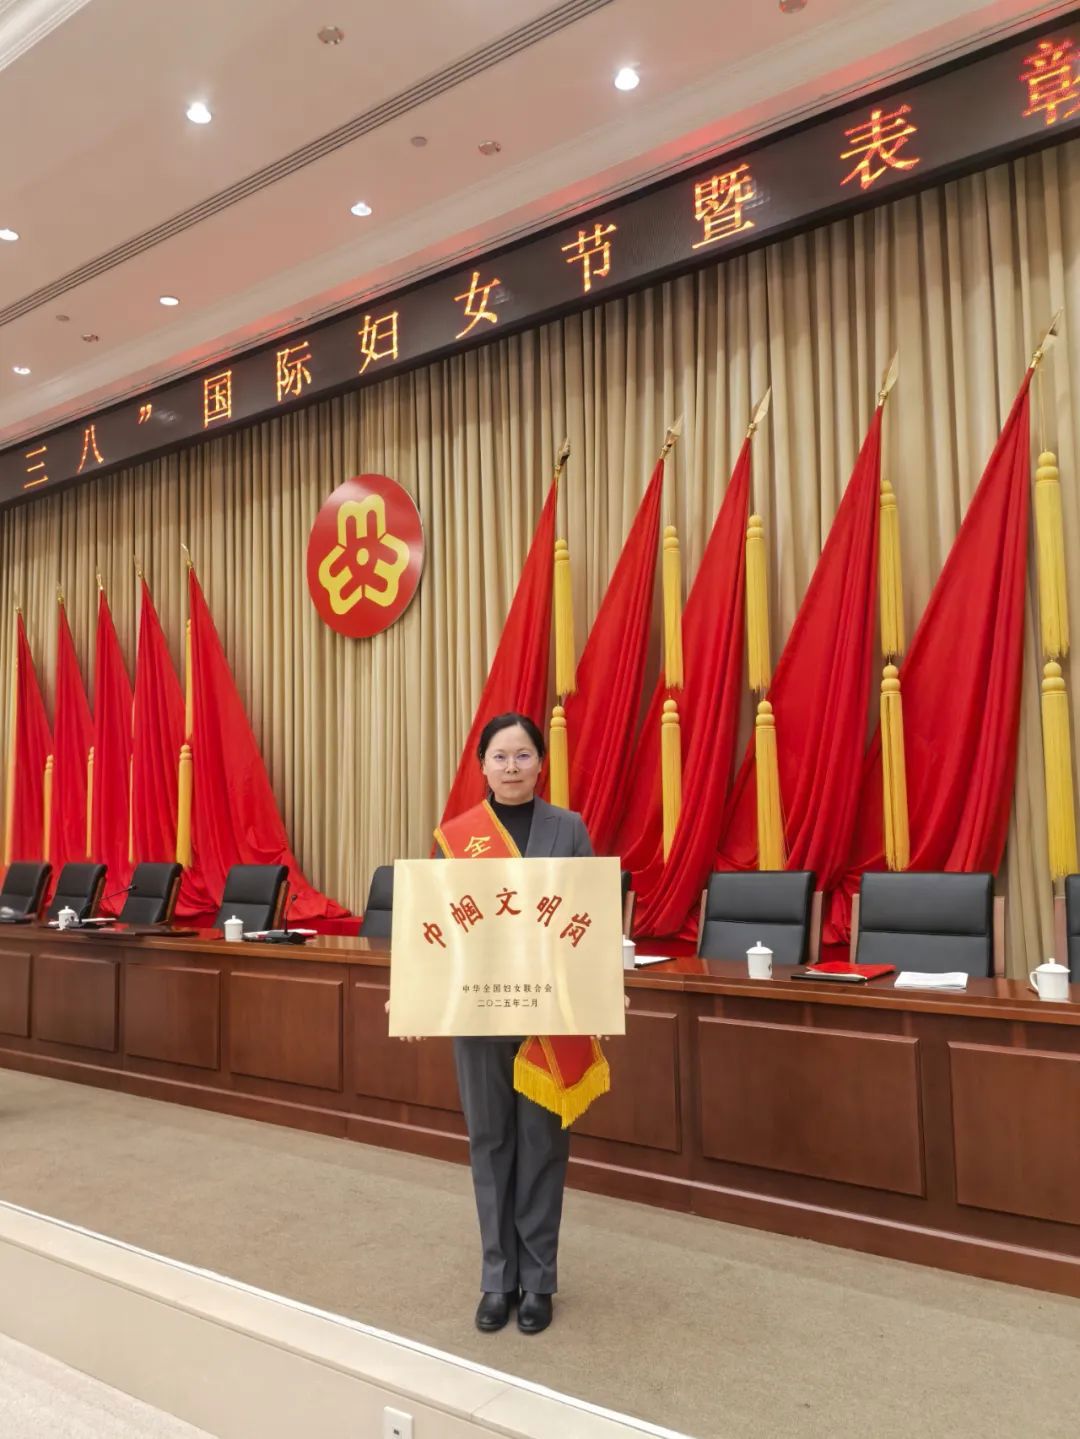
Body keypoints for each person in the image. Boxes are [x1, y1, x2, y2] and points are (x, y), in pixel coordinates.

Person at [437, 712, 595, 1336]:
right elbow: (439, 928)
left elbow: (588, 919)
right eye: (500, 757)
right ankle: (497, 1278)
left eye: (523, 755)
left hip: (548, 1012)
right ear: (482, 765)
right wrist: (417, 994)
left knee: (543, 1145)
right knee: (490, 1142)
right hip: (479, 1012)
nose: (511, 767)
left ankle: (539, 1281)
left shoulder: (568, 828)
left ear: (540, 763)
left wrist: (598, 995)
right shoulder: (459, 836)